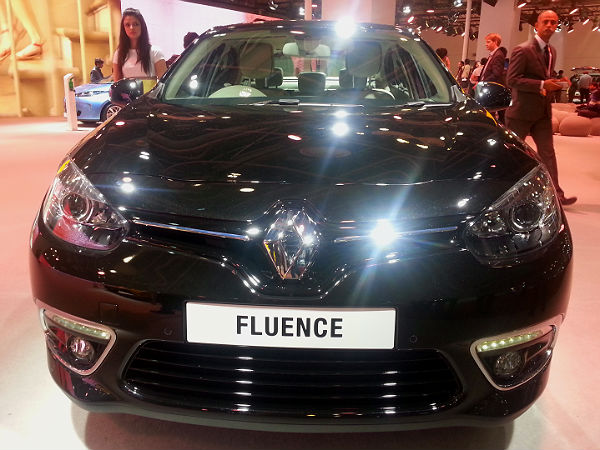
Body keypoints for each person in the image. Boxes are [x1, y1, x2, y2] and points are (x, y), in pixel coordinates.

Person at [505, 10, 576, 206]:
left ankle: (557, 195)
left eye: (553, 22)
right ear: (536, 25)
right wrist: (543, 84)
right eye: (546, 22)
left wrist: (555, 82)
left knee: (548, 154)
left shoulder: (552, 51)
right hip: (521, 113)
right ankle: (504, 195)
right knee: (513, 154)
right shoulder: (522, 50)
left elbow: (543, 75)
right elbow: (512, 80)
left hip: (543, 112)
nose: (550, 26)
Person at [112, 8, 166, 82]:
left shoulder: (155, 52)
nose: (131, 28)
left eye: (135, 24)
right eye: (127, 25)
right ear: (123, 28)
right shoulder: (119, 53)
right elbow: (117, 83)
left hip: (152, 90)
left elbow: (164, 83)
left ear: (142, 26)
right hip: (126, 90)